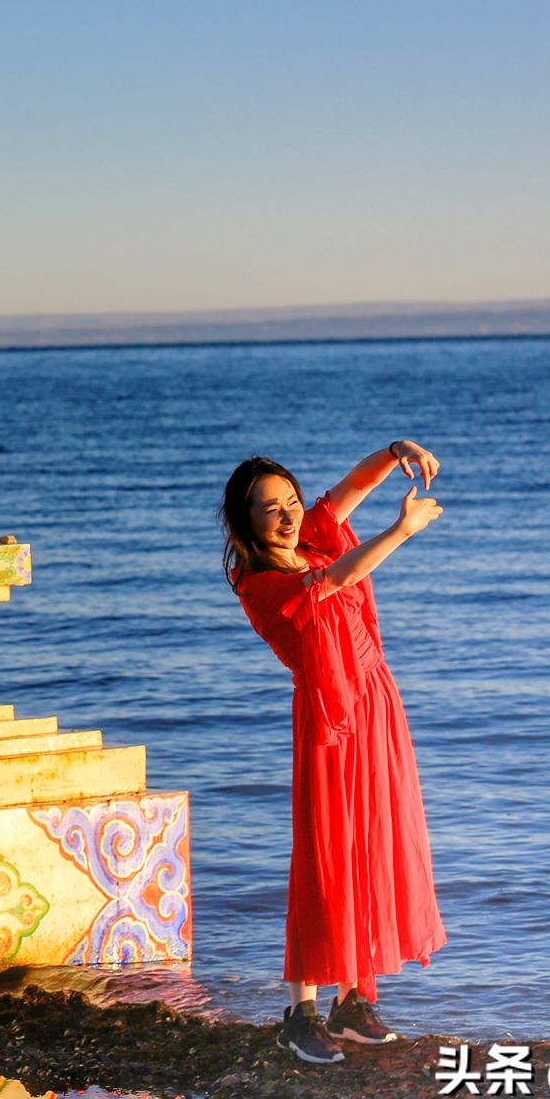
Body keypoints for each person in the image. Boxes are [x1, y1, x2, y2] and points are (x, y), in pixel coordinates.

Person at [220, 441, 450, 1065]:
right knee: (325, 856)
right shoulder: (262, 582)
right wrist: (402, 529)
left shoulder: (312, 539)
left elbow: (348, 489)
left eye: (290, 500)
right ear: (246, 522)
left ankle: (353, 1001)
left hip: (374, 703)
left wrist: (394, 451)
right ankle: (301, 1014)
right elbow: (339, 577)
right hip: (328, 721)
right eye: (270, 509)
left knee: (370, 846)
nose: (288, 515)